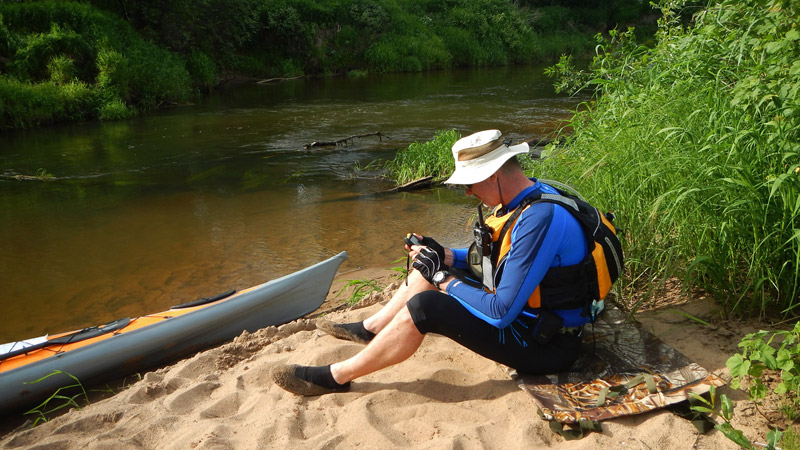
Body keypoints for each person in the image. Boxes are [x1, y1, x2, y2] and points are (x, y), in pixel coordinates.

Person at [272, 129, 594, 396]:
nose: (467, 192)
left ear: (494, 175)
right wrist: (445, 256)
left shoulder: (538, 218)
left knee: (428, 306)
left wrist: (443, 278)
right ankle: (373, 329)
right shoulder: (524, 199)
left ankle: (336, 376)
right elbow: (500, 258)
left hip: (547, 344)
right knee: (433, 264)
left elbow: (500, 312)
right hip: (532, 322)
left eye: (470, 183)